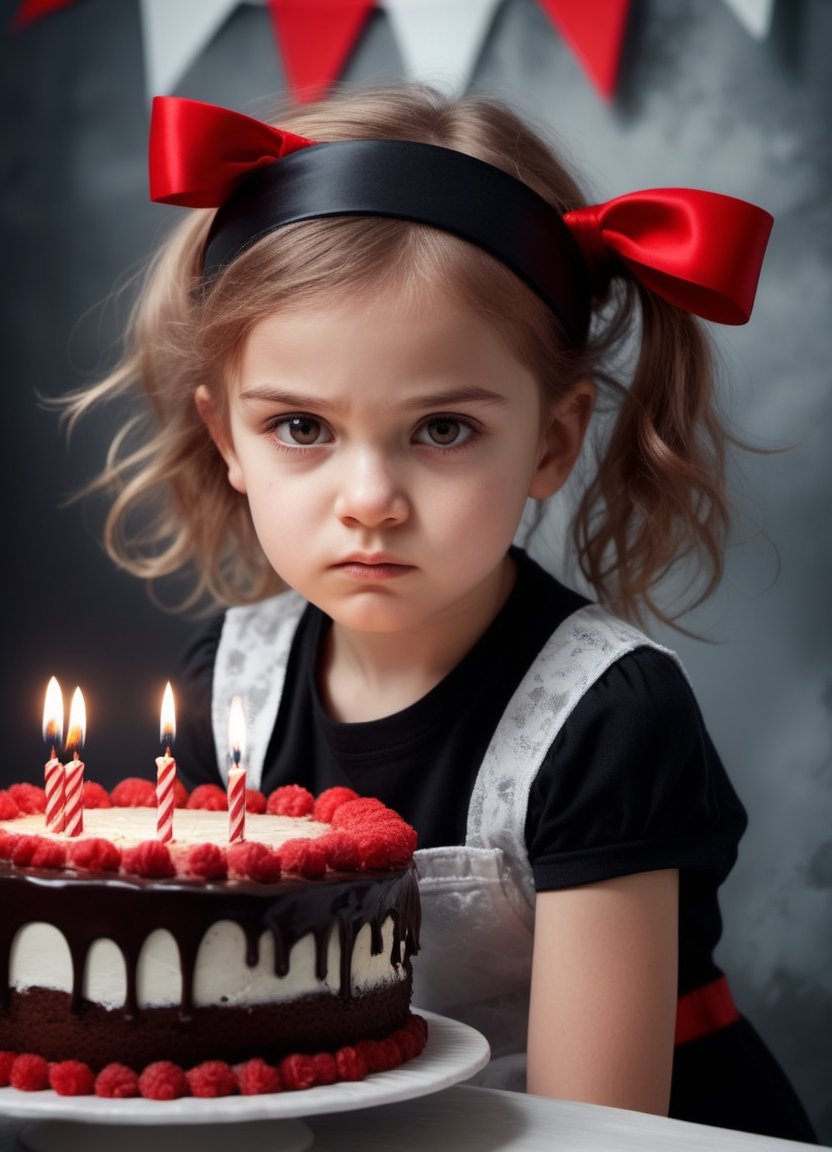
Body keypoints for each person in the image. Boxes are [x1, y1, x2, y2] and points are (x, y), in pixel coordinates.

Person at [65, 85, 816, 1141]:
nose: (368, 496)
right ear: (225, 435)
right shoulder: (221, 689)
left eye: (443, 429)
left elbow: (589, 1128)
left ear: (552, 441)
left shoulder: (606, 722)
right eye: (300, 425)